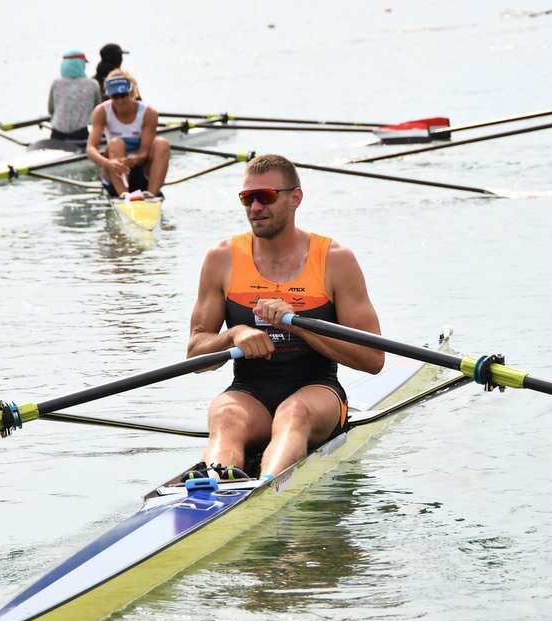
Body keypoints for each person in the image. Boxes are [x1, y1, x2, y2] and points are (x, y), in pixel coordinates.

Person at [185, 154, 384, 481]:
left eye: (265, 197)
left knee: (294, 413)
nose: (255, 208)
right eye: (247, 198)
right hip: (250, 392)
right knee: (224, 415)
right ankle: (215, 484)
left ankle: (267, 490)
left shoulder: (335, 260)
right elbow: (196, 355)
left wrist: (299, 324)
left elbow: (373, 359)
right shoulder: (221, 259)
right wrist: (232, 334)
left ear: (295, 198)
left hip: (318, 392)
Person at [85, 71, 170, 198]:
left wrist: (133, 160)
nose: (119, 101)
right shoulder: (101, 111)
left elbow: (144, 153)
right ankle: (124, 195)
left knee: (162, 143)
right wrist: (107, 164)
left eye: (123, 95)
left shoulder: (149, 113)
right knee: (116, 143)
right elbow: (90, 149)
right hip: (116, 172)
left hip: (140, 171)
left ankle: (152, 195)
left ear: (132, 92)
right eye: (115, 96)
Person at [47, 50, 102, 142]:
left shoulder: (56, 83)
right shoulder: (93, 84)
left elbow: (51, 110)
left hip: (56, 133)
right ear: (79, 65)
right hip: (80, 134)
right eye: (84, 63)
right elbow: (98, 110)